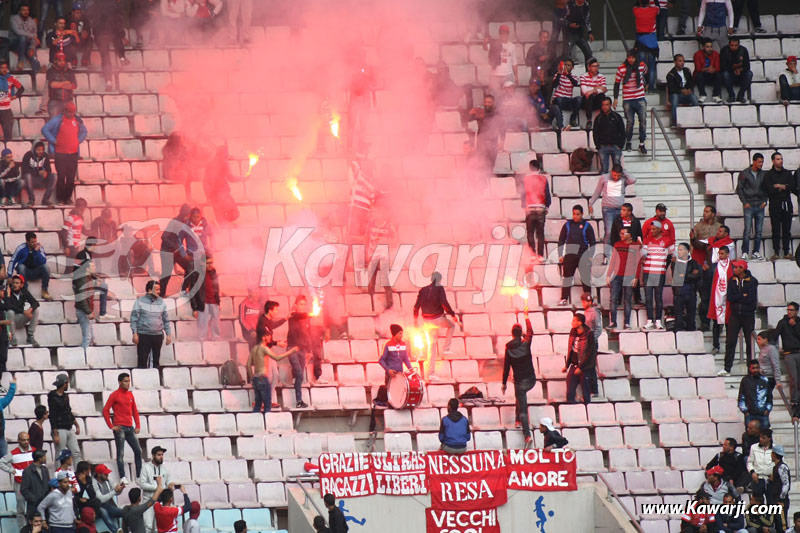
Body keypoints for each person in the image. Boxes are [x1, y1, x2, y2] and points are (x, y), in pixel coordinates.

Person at [413, 272, 459, 382]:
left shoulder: (423, 290)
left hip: (426, 322)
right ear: (439, 280)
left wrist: (415, 321)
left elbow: (416, 307)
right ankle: (446, 349)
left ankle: (431, 373)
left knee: (431, 347)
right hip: (437, 319)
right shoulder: (439, 288)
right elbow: (444, 302)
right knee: (452, 325)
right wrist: (452, 315)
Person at [41, 102, 88, 205]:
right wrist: (54, 140)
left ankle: (67, 198)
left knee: (71, 178)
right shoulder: (58, 120)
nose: (71, 114)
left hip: (73, 153)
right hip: (60, 153)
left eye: (73, 112)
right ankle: (60, 198)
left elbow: (84, 131)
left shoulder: (77, 121)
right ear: (65, 111)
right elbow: (44, 129)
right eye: (69, 111)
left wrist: (77, 140)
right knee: (62, 176)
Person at [501, 307, 536, 446]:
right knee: (520, 399)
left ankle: (527, 435)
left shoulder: (509, 349)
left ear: (511, 334)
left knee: (523, 408)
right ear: (521, 334)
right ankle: (516, 420)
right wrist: (526, 317)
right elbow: (531, 332)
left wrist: (503, 383)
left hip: (520, 382)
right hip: (531, 379)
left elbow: (506, 367)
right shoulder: (526, 344)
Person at [103, 372, 141, 482]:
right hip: (120, 427)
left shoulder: (130, 394)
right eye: (125, 381)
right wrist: (111, 426)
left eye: (129, 381)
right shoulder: (114, 395)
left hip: (130, 427)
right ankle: (122, 476)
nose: (128, 383)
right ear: (120, 382)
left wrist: (137, 425)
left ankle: (138, 476)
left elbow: (135, 410)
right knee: (120, 453)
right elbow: (105, 410)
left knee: (138, 451)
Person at [246, 329, 296, 413]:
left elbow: (248, 365)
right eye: (268, 335)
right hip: (263, 378)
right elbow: (277, 358)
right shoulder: (264, 349)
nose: (270, 337)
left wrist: (252, 378)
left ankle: (255, 422)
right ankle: (267, 423)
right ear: (263, 337)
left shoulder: (254, 348)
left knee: (258, 404)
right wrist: (291, 351)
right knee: (267, 404)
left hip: (256, 378)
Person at [722, 260, 758, 375]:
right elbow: (730, 297)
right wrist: (743, 295)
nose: (734, 269)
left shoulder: (752, 281)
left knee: (749, 342)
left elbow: (750, 299)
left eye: (736, 267)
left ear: (742, 268)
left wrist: (739, 297)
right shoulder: (731, 281)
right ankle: (727, 368)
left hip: (748, 315)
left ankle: (750, 369)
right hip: (735, 315)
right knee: (730, 341)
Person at [588, 164, 636, 245]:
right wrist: (591, 203)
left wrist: (624, 171)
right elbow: (597, 191)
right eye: (614, 175)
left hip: (621, 209)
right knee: (609, 232)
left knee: (620, 232)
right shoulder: (604, 177)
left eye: (618, 175)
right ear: (611, 172)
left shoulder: (623, 179)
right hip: (608, 209)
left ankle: (618, 251)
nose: (616, 177)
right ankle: (607, 255)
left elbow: (633, 180)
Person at [557, 205, 595, 306]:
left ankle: (588, 299)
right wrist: (560, 255)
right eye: (574, 214)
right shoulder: (567, 225)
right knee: (567, 278)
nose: (575, 216)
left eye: (577, 214)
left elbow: (593, 242)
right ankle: (564, 299)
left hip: (583, 255)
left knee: (585, 278)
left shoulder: (587, 226)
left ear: (582, 214)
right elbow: (561, 240)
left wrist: (590, 255)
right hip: (570, 255)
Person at [691, 207, 721, 330]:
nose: (704, 213)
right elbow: (695, 246)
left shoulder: (719, 227)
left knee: (717, 296)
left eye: (707, 211)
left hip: (716, 265)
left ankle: (718, 323)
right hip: (702, 265)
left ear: (713, 214)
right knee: (705, 296)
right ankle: (705, 322)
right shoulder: (698, 227)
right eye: (704, 211)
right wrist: (693, 239)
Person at [88, 1, 128, 92]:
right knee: (117, 38)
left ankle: (108, 82)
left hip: (100, 35)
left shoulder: (96, 5)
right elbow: (119, 21)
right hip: (109, 33)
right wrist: (123, 35)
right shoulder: (114, 5)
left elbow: (88, 14)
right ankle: (122, 57)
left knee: (105, 57)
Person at [131, 280, 172, 369]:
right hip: (143, 335)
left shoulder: (162, 302)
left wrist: (168, 334)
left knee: (155, 361)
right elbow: (134, 319)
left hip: (158, 335)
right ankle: (142, 381)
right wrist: (134, 334)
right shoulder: (140, 301)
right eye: (156, 289)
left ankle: (155, 381)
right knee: (143, 360)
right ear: (149, 290)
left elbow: (165, 320)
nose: (159, 291)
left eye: (159, 289)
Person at [613, 50, 648, 154]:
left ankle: (642, 143)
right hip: (628, 99)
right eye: (629, 57)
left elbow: (647, 73)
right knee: (630, 122)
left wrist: (647, 85)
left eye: (632, 57)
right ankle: (628, 141)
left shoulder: (642, 66)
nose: (631, 59)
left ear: (636, 57)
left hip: (640, 97)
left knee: (643, 121)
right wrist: (615, 98)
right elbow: (617, 84)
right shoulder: (621, 68)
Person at [640, 221, 673, 330]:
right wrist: (642, 255)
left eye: (654, 229)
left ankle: (658, 321)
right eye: (651, 229)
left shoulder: (667, 241)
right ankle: (649, 320)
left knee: (658, 298)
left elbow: (672, 256)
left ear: (660, 229)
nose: (652, 231)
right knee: (648, 298)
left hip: (659, 273)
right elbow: (643, 256)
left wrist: (663, 266)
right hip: (648, 273)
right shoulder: (647, 240)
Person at [0, 429, 34, 529]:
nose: (26, 442)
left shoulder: (34, 451)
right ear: (18, 440)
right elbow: (1, 462)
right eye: (24, 440)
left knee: (33, 508)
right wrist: (11, 470)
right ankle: (23, 529)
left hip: (32, 484)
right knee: (21, 509)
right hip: (20, 483)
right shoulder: (13, 453)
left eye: (27, 439)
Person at [763, 152, 794, 261]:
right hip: (775, 204)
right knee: (775, 229)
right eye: (778, 159)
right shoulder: (768, 175)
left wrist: (778, 186)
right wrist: (783, 187)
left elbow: (792, 186)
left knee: (787, 229)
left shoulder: (787, 173)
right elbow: (769, 189)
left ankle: (786, 251)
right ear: (773, 161)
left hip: (786, 203)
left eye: (781, 159)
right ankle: (776, 252)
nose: (780, 161)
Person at [609, 227, 640, 330]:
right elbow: (613, 260)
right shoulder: (617, 245)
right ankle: (613, 322)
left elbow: (638, 263)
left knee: (627, 300)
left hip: (629, 275)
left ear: (630, 235)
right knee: (613, 299)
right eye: (620, 233)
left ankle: (627, 323)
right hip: (617, 275)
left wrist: (636, 277)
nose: (621, 235)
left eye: (623, 234)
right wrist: (609, 274)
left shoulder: (635, 246)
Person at [158, 204, 192, 298]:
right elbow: (164, 237)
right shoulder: (174, 222)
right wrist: (175, 247)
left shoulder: (185, 223)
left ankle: (184, 291)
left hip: (177, 252)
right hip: (167, 252)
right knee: (166, 273)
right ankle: (161, 294)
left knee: (190, 267)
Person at [562, 313, 597, 404]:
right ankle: (571, 408)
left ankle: (586, 411)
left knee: (586, 392)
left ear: (580, 322)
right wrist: (567, 365)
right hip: (573, 366)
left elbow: (590, 353)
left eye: (574, 321)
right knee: (570, 391)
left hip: (584, 368)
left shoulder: (589, 334)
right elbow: (571, 349)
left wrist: (581, 368)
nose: (572, 323)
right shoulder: (573, 332)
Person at [186, 255, 220, 341]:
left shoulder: (213, 271)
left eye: (211, 263)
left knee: (215, 322)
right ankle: (202, 340)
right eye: (208, 263)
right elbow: (192, 292)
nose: (210, 265)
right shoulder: (196, 273)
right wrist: (194, 308)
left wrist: (218, 301)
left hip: (213, 301)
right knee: (203, 322)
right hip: (203, 301)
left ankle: (215, 338)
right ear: (202, 263)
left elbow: (216, 287)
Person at [706, 244, 732, 356]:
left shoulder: (733, 266)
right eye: (719, 254)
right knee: (715, 324)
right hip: (716, 298)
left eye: (722, 254)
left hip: (729, 299)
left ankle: (729, 347)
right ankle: (716, 345)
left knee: (729, 325)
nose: (720, 256)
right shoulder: (714, 266)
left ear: (727, 254)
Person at [48, 373, 81, 462]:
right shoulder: (53, 398)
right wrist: (55, 433)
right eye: (67, 383)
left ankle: (78, 473)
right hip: (59, 428)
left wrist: (76, 424)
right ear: (64, 384)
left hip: (69, 426)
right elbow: (53, 416)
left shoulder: (65, 396)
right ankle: (59, 474)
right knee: (60, 454)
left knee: (76, 452)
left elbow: (69, 411)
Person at [773, 302, 800, 406]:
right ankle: (794, 400)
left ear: (796, 311)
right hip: (789, 353)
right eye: (788, 310)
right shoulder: (783, 322)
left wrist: (796, 326)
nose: (789, 312)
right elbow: (775, 334)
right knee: (793, 377)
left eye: (791, 310)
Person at [139, 446, 171, 533]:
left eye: (162, 455)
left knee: (159, 527)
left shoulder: (164, 468)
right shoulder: (146, 467)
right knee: (148, 527)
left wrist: (171, 485)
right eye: (159, 455)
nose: (161, 457)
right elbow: (142, 484)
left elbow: (168, 482)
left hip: (160, 501)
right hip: (148, 501)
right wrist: (157, 488)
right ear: (153, 455)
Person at [523, 159, 551, 259]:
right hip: (540, 207)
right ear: (539, 168)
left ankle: (532, 254)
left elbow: (523, 193)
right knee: (540, 233)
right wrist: (547, 206)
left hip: (529, 207)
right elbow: (547, 194)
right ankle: (540, 255)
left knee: (530, 232)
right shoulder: (544, 178)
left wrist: (524, 206)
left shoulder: (526, 178)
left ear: (530, 168)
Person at [671, 242, 701, 332]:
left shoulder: (693, 262)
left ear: (687, 251)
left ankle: (691, 332)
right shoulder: (675, 262)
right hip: (679, 292)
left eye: (681, 249)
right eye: (678, 250)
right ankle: (678, 333)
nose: (678, 252)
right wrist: (690, 275)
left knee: (691, 316)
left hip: (691, 292)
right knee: (678, 315)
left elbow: (696, 276)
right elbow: (676, 276)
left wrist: (683, 275)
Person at [592, 97, 625, 174]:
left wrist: (620, 146)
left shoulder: (617, 117)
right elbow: (595, 133)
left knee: (617, 169)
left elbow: (622, 132)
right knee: (604, 169)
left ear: (610, 105)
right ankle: (604, 186)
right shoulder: (598, 118)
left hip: (615, 146)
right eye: (603, 105)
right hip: (603, 147)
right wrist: (598, 146)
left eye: (606, 105)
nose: (604, 107)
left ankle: (617, 186)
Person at [483, 24, 518, 97]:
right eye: (502, 33)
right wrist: (485, 42)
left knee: (509, 96)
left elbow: (514, 62)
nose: (503, 34)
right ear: (499, 34)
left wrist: (516, 76)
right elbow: (485, 48)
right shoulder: (494, 43)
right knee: (495, 96)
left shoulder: (512, 46)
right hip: (495, 75)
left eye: (505, 33)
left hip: (508, 74)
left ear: (508, 34)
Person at [7, 274, 41, 346]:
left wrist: (30, 310)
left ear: (22, 285)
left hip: (20, 319)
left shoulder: (24, 291)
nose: (15, 285)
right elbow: (9, 306)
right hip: (10, 320)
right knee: (10, 312)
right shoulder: (8, 291)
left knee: (35, 310)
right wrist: (23, 311)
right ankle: (12, 337)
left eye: (17, 283)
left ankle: (30, 335)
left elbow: (35, 303)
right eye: (14, 283)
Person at [633, 0, 659, 91]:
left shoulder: (636, 10)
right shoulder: (654, 10)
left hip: (641, 40)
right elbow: (657, 5)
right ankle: (651, 87)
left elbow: (635, 4)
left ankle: (642, 86)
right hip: (651, 40)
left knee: (642, 65)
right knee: (651, 66)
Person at [738, 360, 771, 431]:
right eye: (753, 368)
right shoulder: (745, 380)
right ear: (749, 369)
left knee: (765, 434)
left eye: (757, 368)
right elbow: (741, 397)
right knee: (750, 436)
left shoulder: (764, 379)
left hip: (763, 413)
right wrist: (745, 411)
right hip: (750, 414)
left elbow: (769, 397)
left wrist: (768, 409)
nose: (755, 370)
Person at [666, 54, 700, 124]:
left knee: (693, 97)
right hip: (676, 95)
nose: (682, 63)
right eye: (680, 61)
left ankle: (697, 119)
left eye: (683, 61)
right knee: (675, 98)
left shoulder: (687, 71)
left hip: (686, 94)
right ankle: (674, 121)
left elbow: (691, 82)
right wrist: (681, 91)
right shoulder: (670, 74)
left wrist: (689, 89)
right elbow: (671, 89)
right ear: (675, 62)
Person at [41, 51, 76, 118]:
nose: (62, 62)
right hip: (55, 101)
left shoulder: (70, 71)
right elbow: (52, 85)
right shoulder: (50, 71)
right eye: (59, 60)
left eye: (63, 60)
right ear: (55, 61)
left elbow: (74, 85)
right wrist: (66, 82)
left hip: (68, 101)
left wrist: (59, 84)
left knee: (69, 123)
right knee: (54, 125)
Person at [525, 30, 556, 102]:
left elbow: (554, 62)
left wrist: (552, 74)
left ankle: (546, 110)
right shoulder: (533, 48)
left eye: (547, 37)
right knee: (534, 98)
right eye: (543, 37)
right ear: (539, 37)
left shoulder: (551, 49)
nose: (545, 39)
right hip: (535, 76)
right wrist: (538, 60)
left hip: (548, 77)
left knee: (547, 99)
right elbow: (527, 62)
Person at [10, 4, 42, 72]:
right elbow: (18, 32)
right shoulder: (13, 18)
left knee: (31, 54)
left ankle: (37, 69)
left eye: (27, 10)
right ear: (19, 11)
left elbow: (35, 35)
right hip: (14, 43)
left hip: (26, 45)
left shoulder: (32, 21)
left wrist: (32, 48)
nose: (26, 12)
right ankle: (20, 61)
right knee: (22, 38)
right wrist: (33, 36)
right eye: (23, 10)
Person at [92, 464, 124, 532]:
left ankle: (126, 529)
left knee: (124, 512)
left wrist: (120, 489)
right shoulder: (94, 483)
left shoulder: (108, 480)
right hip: (98, 508)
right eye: (105, 474)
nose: (107, 475)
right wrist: (114, 491)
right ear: (99, 474)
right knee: (103, 510)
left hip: (109, 506)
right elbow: (101, 500)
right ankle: (116, 531)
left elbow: (117, 493)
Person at [551, 59, 581, 130]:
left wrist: (567, 75)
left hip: (568, 100)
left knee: (579, 99)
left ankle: (573, 119)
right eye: (565, 65)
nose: (566, 66)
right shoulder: (558, 75)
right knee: (559, 99)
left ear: (572, 67)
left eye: (569, 65)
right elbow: (554, 85)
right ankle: (560, 121)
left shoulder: (574, 77)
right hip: (559, 99)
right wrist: (559, 73)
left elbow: (575, 83)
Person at [720, 37, 752, 104]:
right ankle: (731, 96)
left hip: (741, 74)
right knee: (725, 74)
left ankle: (740, 95)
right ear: (729, 44)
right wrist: (733, 69)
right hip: (729, 75)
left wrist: (740, 69)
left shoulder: (743, 50)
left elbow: (747, 66)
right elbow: (722, 67)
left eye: (736, 45)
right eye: (732, 45)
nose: (734, 47)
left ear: (739, 45)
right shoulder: (724, 50)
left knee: (749, 74)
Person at [21, 142, 54, 207]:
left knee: (54, 176)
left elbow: (49, 170)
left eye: (42, 149)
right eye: (38, 150)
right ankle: (31, 200)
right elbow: (24, 171)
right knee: (27, 176)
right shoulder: (28, 155)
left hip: (42, 180)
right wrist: (38, 173)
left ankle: (46, 199)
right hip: (30, 180)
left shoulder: (45, 156)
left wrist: (46, 173)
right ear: (34, 149)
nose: (40, 151)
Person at [20, 450, 48, 521]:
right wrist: (34, 499)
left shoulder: (45, 469)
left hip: (45, 506)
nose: (46, 458)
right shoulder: (27, 471)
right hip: (33, 507)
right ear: (39, 459)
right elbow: (24, 489)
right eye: (44, 456)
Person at [579, 58, 607, 129]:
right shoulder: (583, 76)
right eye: (593, 66)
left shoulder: (601, 76)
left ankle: (603, 118)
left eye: (597, 66)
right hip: (586, 102)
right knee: (590, 96)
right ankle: (589, 120)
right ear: (589, 67)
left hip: (597, 100)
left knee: (601, 96)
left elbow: (604, 89)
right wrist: (597, 88)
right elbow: (585, 92)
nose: (596, 68)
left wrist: (592, 90)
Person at [564, 0, 594, 64]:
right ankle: (565, 72)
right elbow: (562, 18)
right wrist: (569, 24)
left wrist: (590, 32)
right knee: (567, 53)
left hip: (580, 33)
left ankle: (588, 72)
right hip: (569, 33)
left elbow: (587, 19)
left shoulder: (586, 4)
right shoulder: (569, 4)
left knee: (588, 53)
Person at [693, 38, 723, 104]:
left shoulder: (716, 54)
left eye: (711, 47)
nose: (710, 49)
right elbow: (698, 69)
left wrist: (713, 69)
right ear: (703, 47)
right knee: (699, 75)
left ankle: (716, 95)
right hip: (702, 75)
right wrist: (707, 68)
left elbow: (717, 68)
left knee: (718, 75)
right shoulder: (697, 54)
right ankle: (702, 95)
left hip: (711, 74)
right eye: (707, 47)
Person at [61, 197, 88, 265]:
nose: (82, 211)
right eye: (81, 209)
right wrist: (66, 247)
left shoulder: (81, 217)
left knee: (72, 267)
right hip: (70, 245)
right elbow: (63, 232)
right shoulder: (70, 217)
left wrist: (95, 234)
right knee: (73, 266)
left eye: (83, 210)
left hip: (76, 245)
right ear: (77, 207)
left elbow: (84, 231)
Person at [0, 62, 22, 143]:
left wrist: (15, 96)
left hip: (7, 110)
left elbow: (21, 88)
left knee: (8, 137)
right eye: (2, 67)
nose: (4, 69)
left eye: (5, 67)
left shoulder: (11, 78)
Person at [747, 428, 773, 495]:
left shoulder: (775, 449)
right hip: (758, 479)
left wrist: (774, 474)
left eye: (763, 438)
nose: (761, 439)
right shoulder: (753, 447)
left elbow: (779, 464)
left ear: (769, 439)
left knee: (771, 502)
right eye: (760, 437)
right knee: (758, 502)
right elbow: (749, 462)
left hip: (770, 479)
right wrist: (752, 472)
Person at [756, 330, 780, 397]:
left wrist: (778, 381)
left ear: (765, 339)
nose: (757, 341)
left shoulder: (771, 349)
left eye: (759, 339)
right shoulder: (762, 349)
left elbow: (776, 365)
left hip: (769, 377)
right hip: (762, 376)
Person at [67, 4, 92, 68]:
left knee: (90, 39)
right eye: (77, 13)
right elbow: (66, 31)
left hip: (83, 41)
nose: (78, 14)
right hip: (73, 41)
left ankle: (85, 59)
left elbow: (88, 29)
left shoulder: (85, 19)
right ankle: (74, 60)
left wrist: (86, 32)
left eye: (80, 13)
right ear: (73, 12)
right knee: (69, 40)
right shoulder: (68, 19)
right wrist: (73, 33)